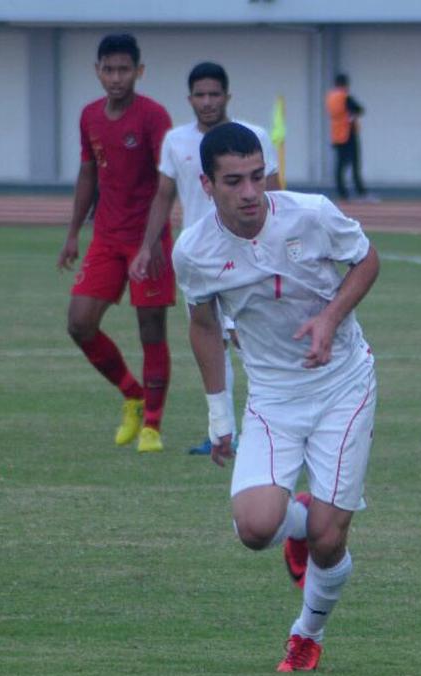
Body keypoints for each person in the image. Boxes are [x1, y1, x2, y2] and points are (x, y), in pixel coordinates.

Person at [172, 123, 380, 672]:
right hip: (272, 396)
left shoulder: (310, 213)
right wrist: (219, 414)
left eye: (257, 176)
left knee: (329, 541)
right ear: (207, 183)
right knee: (255, 528)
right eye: (233, 181)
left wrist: (329, 319)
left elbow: (367, 260)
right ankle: (300, 518)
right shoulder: (194, 251)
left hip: (343, 385)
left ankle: (306, 633)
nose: (248, 193)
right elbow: (202, 324)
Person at [131, 61, 280, 455]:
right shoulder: (177, 141)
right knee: (211, 340)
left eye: (215, 94)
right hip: (203, 262)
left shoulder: (255, 136)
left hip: (250, 257)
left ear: (227, 97)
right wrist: (148, 246)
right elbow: (163, 195)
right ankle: (221, 430)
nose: (208, 101)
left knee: (252, 343)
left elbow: (278, 197)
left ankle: (265, 428)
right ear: (190, 99)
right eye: (200, 94)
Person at [56, 33, 173, 453]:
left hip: (148, 240)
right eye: (109, 69)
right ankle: (132, 394)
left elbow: (166, 182)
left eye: (125, 69)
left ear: (139, 72)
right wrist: (73, 233)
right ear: (97, 71)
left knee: (151, 328)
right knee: (79, 323)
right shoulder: (89, 116)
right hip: (106, 237)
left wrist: (152, 242)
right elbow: (88, 173)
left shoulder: (154, 117)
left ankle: (153, 426)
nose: (116, 77)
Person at [326, 73, 372, 202]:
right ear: (345, 84)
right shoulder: (345, 97)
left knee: (340, 165)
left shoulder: (331, 97)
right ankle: (361, 192)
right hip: (348, 134)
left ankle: (342, 192)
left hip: (337, 135)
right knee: (355, 164)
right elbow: (360, 109)